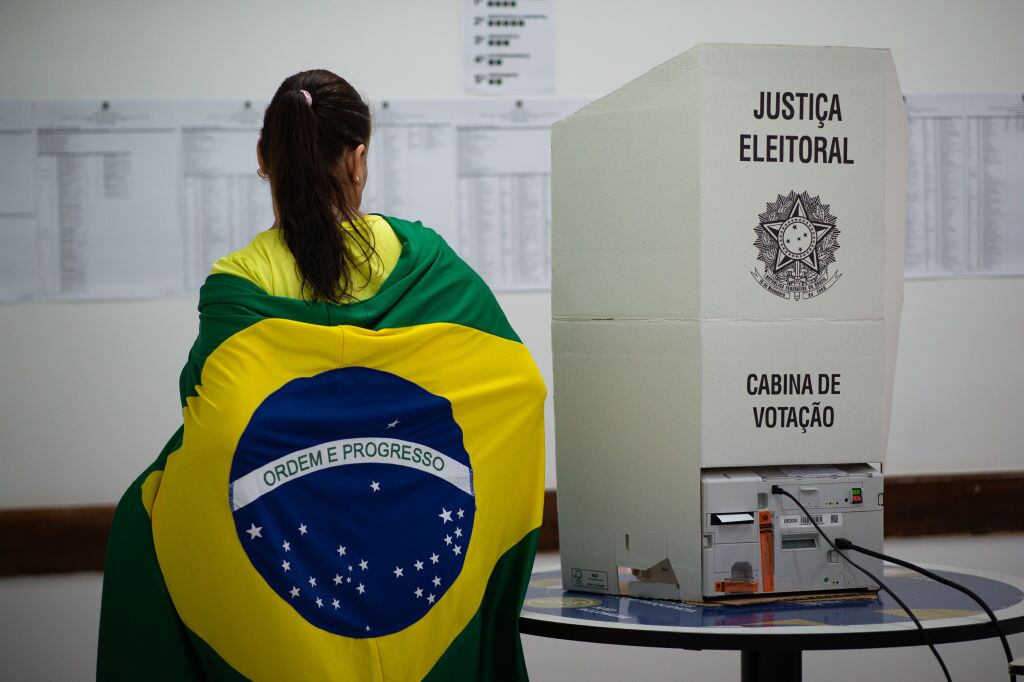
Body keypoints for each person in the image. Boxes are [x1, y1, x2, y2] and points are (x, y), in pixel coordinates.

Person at [97, 69, 546, 681]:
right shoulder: (423, 261)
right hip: (414, 564)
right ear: (358, 159)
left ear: (264, 158)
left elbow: (213, 425)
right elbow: (518, 385)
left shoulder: (241, 283)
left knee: (141, 518)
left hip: (283, 604)